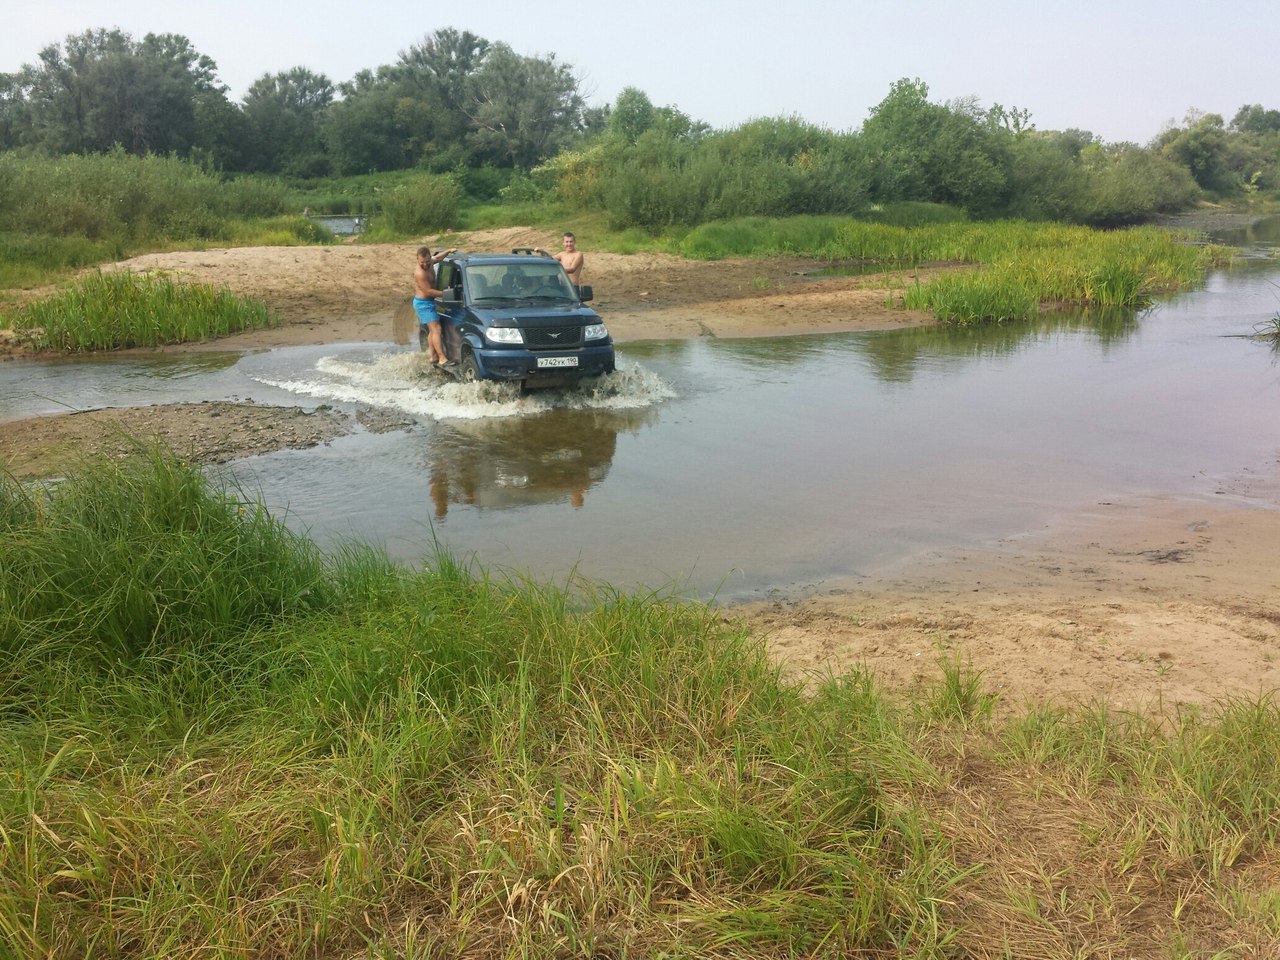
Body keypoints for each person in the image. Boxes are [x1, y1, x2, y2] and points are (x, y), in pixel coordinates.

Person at [413, 246, 456, 364]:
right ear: (417, 260)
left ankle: (433, 357)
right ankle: (442, 358)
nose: (425, 265)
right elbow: (428, 291)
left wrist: (448, 251)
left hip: (429, 302)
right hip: (423, 304)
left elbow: (437, 257)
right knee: (437, 329)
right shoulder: (420, 274)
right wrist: (446, 294)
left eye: (427, 262)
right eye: (422, 263)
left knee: (432, 331)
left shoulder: (430, 261)